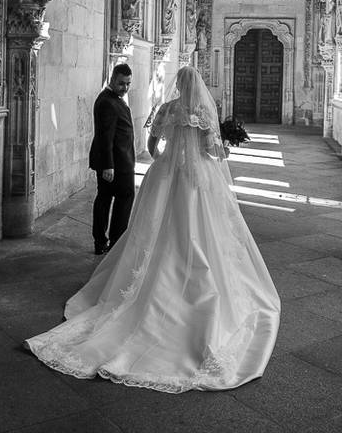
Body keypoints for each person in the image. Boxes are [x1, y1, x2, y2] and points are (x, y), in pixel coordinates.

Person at [26, 66, 280, 393]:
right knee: (199, 232)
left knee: (153, 230)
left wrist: (166, 157)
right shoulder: (202, 110)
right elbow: (211, 151)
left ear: (179, 85)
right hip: (195, 179)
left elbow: (151, 141)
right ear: (198, 87)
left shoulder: (167, 109)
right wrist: (222, 150)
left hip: (165, 175)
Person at [88, 64, 135, 255]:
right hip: (116, 164)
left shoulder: (112, 98)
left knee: (105, 199)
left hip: (116, 162)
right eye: (121, 83)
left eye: (128, 84)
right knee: (123, 199)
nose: (125, 88)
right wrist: (108, 165)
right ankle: (114, 243)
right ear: (112, 79)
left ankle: (102, 242)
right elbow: (104, 135)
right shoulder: (107, 102)